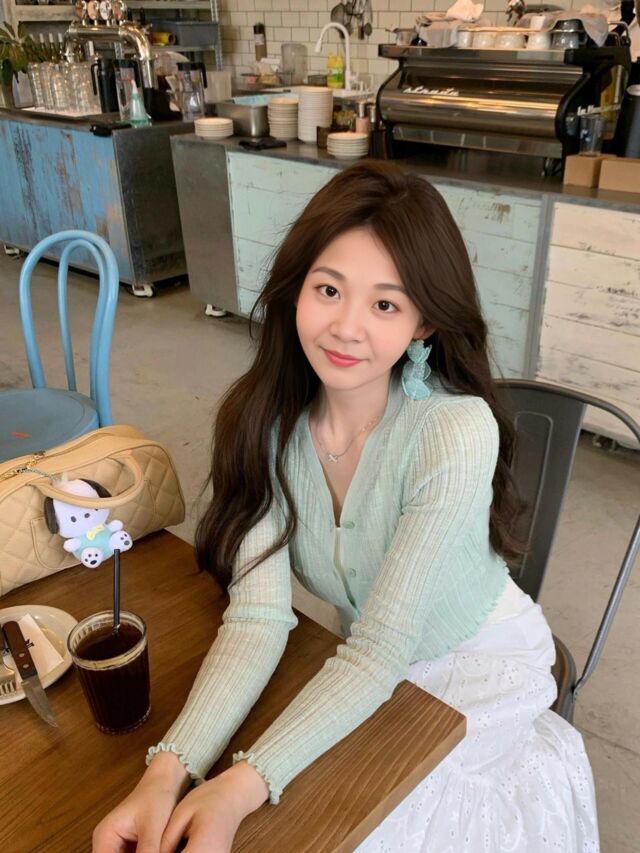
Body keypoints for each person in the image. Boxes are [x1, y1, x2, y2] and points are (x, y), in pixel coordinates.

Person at [93, 161, 598, 853]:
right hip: (364, 658)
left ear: (423, 323)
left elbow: (383, 647)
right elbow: (259, 619)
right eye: (328, 289)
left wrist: (238, 786)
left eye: (386, 305)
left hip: (473, 664)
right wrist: (167, 772)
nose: (346, 328)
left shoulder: (453, 432)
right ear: (297, 287)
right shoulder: (265, 425)